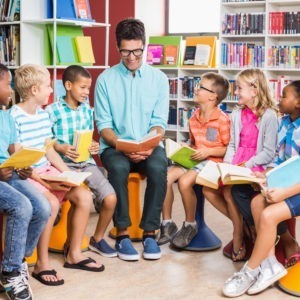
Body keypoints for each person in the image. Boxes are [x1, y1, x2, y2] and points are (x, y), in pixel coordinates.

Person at [11, 64, 104, 286]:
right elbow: (18, 159)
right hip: (27, 173)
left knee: (84, 196)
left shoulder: (43, 115)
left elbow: (49, 150)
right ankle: (42, 263)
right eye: (47, 87)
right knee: (51, 203)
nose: (51, 91)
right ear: (34, 90)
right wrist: (43, 180)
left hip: (48, 170)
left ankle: (74, 254)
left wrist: (67, 172)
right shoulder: (14, 117)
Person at [94, 18, 169, 261]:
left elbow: (159, 122)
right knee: (117, 168)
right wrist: (122, 146)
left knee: (159, 167)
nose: (132, 57)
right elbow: (103, 125)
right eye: (126, 51)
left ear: (144, 46)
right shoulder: (105, 79)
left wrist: (149, 145)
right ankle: (123, 234)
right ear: (118, 48)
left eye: (137, 51)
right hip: (115, 146)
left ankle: (150, 233)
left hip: (148, 144)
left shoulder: (159, 79)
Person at [223, 80, 300, 297]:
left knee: (268, 215)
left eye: (285, 95)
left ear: (298, 102)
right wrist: (265, 175)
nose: (279, 99)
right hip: (287, 182)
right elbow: (278, 158)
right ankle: (270, 265)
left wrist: (284, 193)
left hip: (295, 187)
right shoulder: (284, 122)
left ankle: (250, 271)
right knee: (256, 201)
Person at [203, 68, 279, 262]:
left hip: (256, 165)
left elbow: (269, 152)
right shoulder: (236, 114)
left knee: (231, 192)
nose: (236, 92)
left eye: (239, 88)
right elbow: (233, 145)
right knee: (208, 189)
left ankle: (244, 232)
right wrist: (227, 166)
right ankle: (246, 228)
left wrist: (247, 164)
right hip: (237, 163)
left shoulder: (269, 116)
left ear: (255, 90)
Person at [46, 65, 117, 258]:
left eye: (88, 88)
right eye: (83, 87)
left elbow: (87, 137)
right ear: (68, 85)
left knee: (110, 199)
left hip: (86, 163)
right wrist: (60, 147)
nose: (87, 92)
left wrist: (94, 145)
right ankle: (71, 244)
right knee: (79, 199)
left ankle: (98, 238)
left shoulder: (87, 110)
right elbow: (46, 142)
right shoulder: (52, 111)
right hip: (63, 165)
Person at [159, 72, 231, 248]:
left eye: (202, 87)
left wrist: (209, 151)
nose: (196, 89)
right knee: (164, 178)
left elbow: (229, 148)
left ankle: (190, 225)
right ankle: (167, 223)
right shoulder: (193, 118)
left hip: (213, 162)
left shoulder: (223, 120)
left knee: (184, 183)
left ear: (213, 96)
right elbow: (194, 143)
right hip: (196, 159)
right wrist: (184, 148)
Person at [0, 64, 51, 300]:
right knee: (21, 206)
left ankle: (17, 260)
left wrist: (22, 164)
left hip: (9, 173)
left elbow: (13, 150)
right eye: (7, 84)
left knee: (43, 207)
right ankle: (10, 272)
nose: (11, 89)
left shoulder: (5, 116)